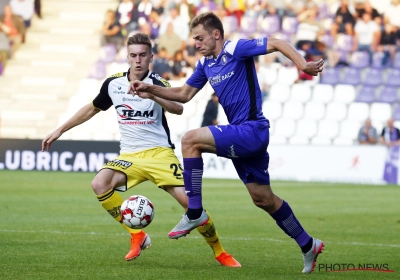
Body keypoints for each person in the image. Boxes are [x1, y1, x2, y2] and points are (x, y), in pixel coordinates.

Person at [130, 12, 325, 273]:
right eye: (194, 40)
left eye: (200, 38)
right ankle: (307, 244)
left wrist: (302, 64)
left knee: (190, 140)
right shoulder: (205, 64)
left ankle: (195, 211)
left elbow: (277, 42)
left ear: (216, 34)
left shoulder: (236, 49)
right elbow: (184, 95)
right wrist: (150, 89)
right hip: (241, 133)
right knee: (263, 198)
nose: (196, 44)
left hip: (252, 130)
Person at [42, 33, 240, 268]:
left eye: (143, 55)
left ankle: (219, 252)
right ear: (127, 57)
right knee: (99, 184)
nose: (138, 60)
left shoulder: (158, 83)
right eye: (133, 55)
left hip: (159, 154)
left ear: (151, 58)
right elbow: (92, 109)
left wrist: (152, 93)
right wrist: (60, 130)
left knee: (191, 204)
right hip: (129, 156)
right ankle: (137, 234)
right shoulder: (113, 84)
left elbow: (177, 108)